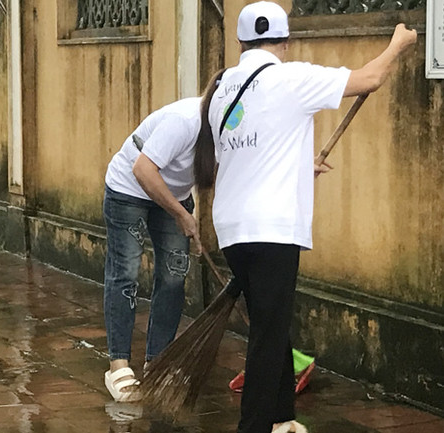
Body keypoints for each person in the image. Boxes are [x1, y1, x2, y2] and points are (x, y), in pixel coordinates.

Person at [197, 2, 417, 432]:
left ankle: (282, 418)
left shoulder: (222, 89)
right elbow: (369, 78)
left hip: (232, 228)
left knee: (269, 321)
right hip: (272, 229)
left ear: (242, 41)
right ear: (285, 41)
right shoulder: (291, 78)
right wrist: (398, 44)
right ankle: (255, 426)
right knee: (267, 334)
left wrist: (300, 166)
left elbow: (245, 153)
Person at [102, 92, 206, 402]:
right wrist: (182, 215)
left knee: (174, 276)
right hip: (129, 187)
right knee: (126, 272)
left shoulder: (234, 125)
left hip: (173, 194)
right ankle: (118, 363)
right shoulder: (185, 120)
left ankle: (159, 361)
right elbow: (142, 170)